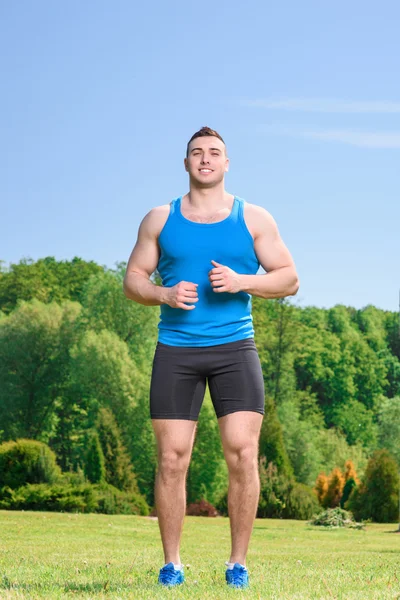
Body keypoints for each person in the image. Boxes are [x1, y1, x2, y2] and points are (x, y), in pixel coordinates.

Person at [123, 126, 299, 588]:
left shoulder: (254, 218)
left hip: (235, 351)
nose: (205, 159)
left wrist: (243, 282)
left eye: (214, 153)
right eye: (196, 153)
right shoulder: (159, 219)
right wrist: (162, 293)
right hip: (176, 352)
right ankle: (172, 565)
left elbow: (289, 279)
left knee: (243, 454)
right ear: (186, 164)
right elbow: (133, 280)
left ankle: (237, 564)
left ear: (226, 163)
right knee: (171, 459)